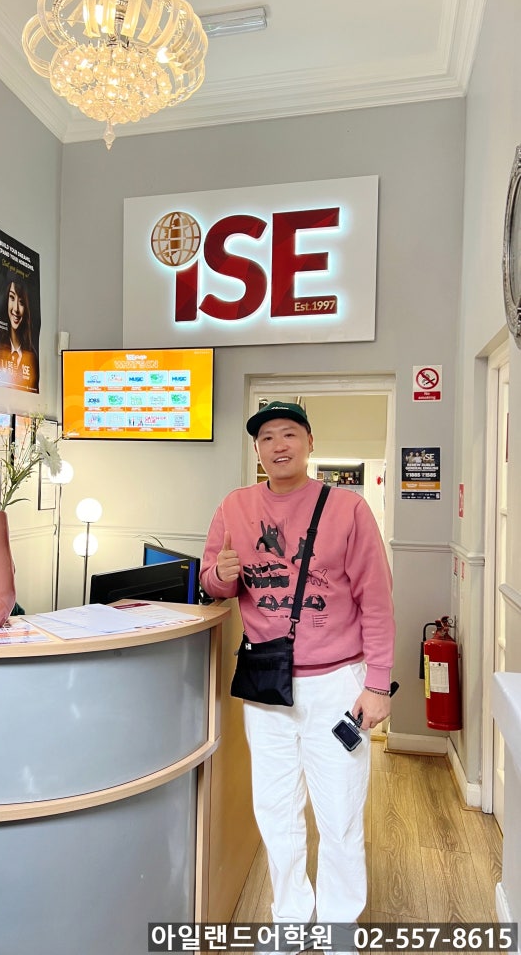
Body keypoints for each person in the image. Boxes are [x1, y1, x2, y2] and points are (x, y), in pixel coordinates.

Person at [200, 400, 395, 937]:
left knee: (340, 812)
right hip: (267, 683)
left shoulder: (348, 508)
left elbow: (377, 601)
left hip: (338, 684)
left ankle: (337, 927)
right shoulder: (235, 506)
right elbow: (212, 583)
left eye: (288, 434)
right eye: (266, 438)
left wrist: (378, 683)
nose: (278, 446)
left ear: (310, 442)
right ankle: (290, 918)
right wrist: (220, 573)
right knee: (275, 809)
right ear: (257, 450)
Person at [0, 273, 39, 392]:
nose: (16, 308)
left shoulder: (32, 358)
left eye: (21, 302)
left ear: (27, 308)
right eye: (12, 298)